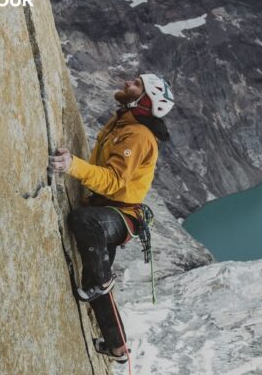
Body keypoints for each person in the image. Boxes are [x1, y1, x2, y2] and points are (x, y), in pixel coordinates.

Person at [48, 73, 174, 362]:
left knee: (84, 223)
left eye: (137, 84)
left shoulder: (138, 135)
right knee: (92, 282)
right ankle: (118, 348)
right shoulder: (123, 123)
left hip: (119, 215)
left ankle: (103, 280)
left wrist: (72, 166)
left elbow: (115, 179)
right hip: (107, 208)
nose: (129, 83)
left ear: (146, 101)